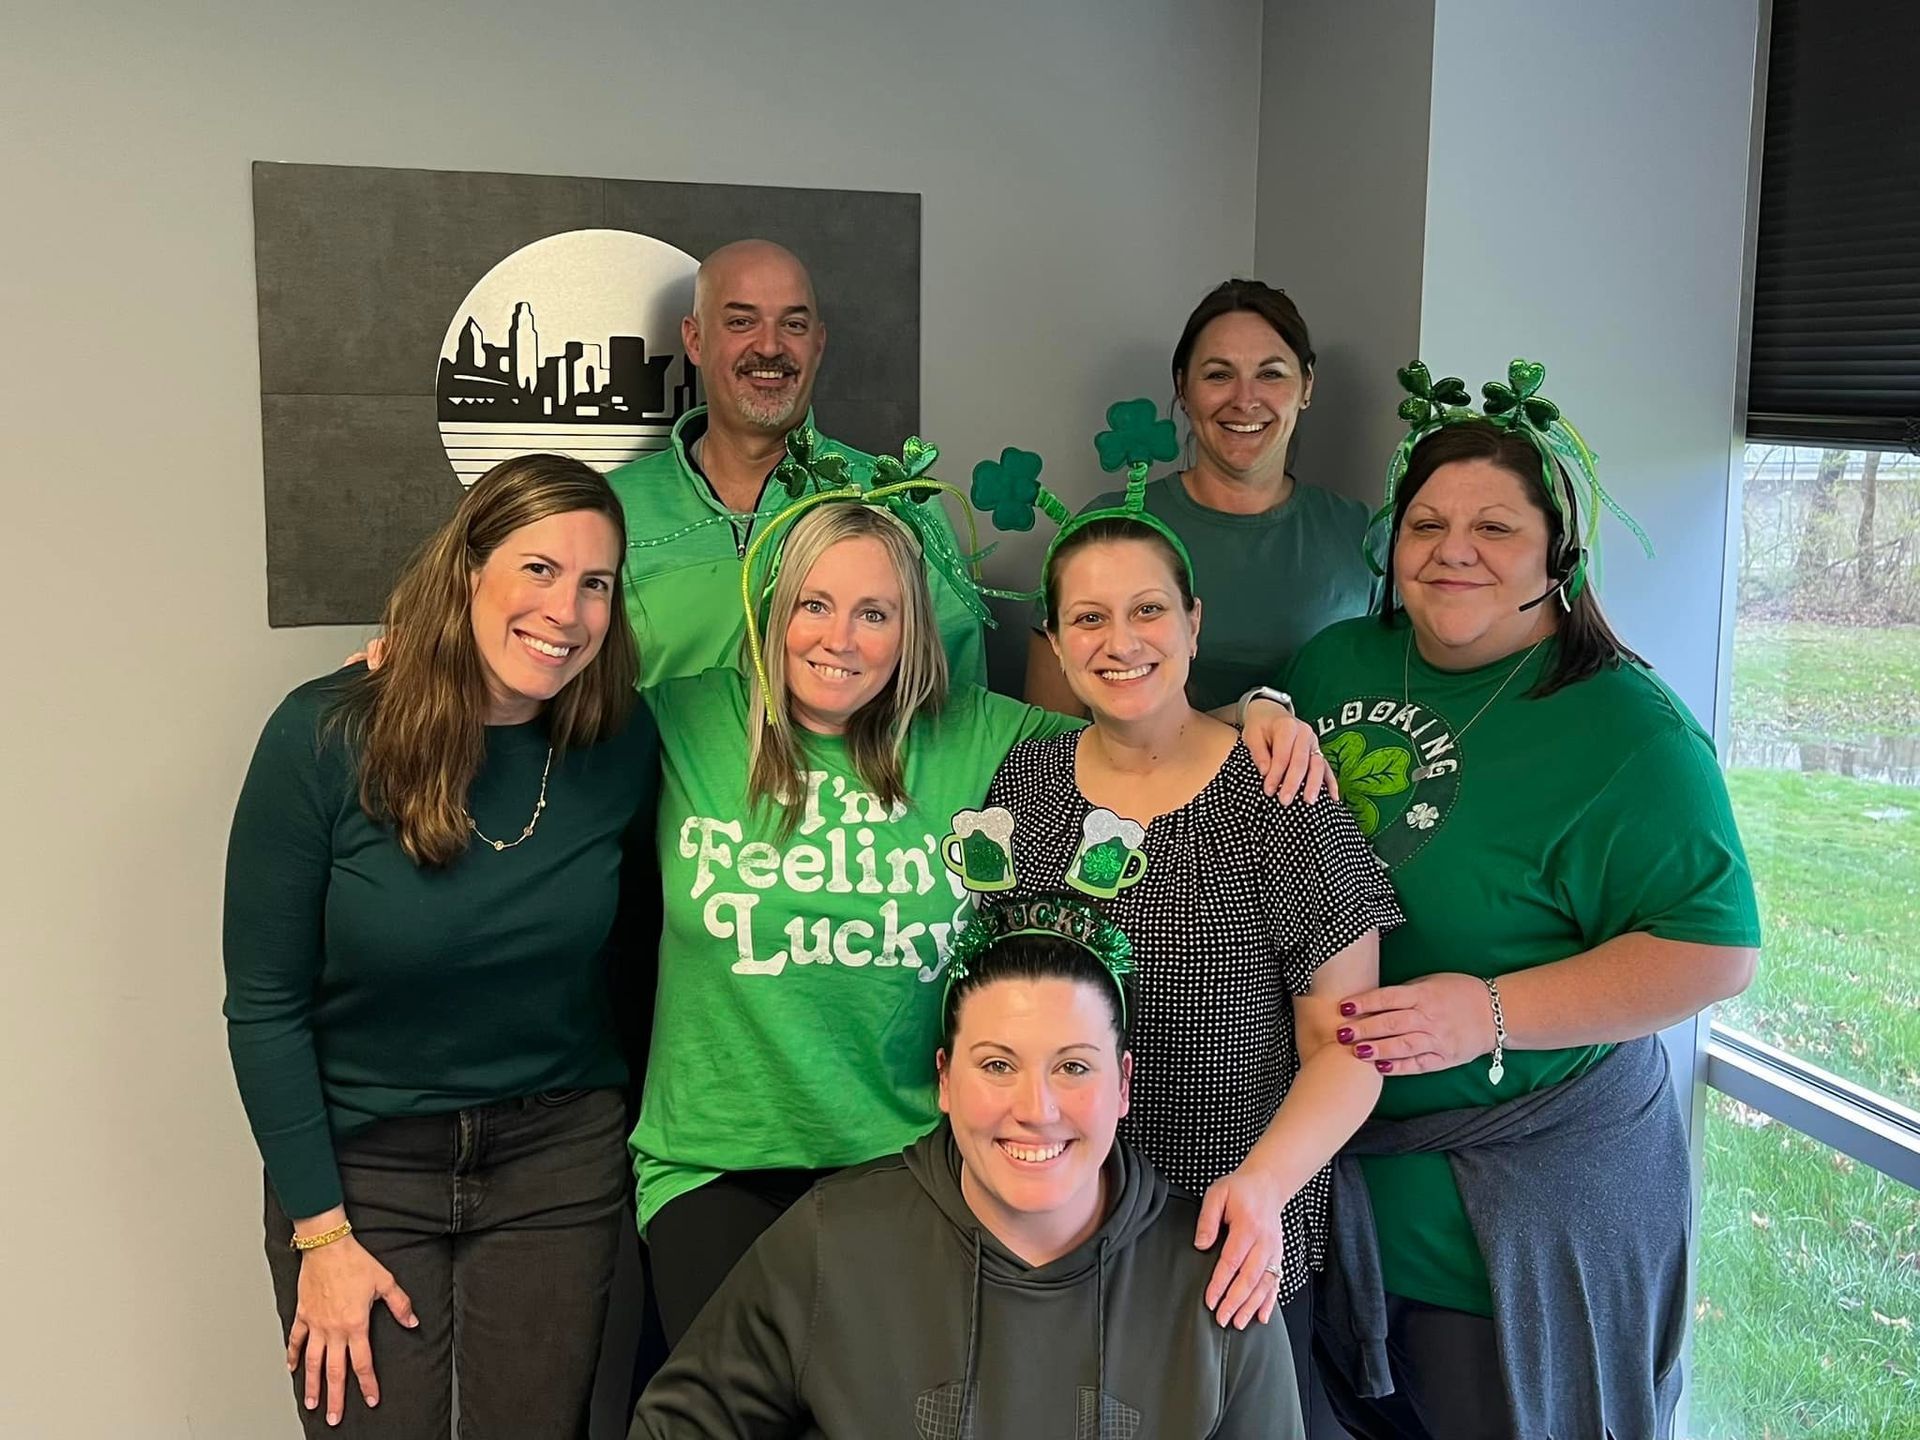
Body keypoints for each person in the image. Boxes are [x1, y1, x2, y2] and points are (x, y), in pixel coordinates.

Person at [630, 463, 1324, 1344]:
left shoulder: (978, 733)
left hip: (907, 1165)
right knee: (727, 1399)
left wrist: (1261, 709)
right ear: (773, 612)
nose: (840, 638)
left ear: (911, 629)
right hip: (713, 1165)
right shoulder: (689, 717)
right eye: (814, 604)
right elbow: (544, 710)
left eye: (874, 613)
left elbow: (1143, 727)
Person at [1287, 361, 1761, 1440]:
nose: (1453, 549)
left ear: (1559, 557)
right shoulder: (1334, 664)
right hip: (1337, 1202)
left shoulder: (1627, 730)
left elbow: (1714, 951)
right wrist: (1258, 708)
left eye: (1495, 528)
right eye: (1426, 524)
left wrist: (1491, 1010)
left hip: (1518, 1224)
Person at [223, 454, 659, 1436]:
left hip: (556, 1161)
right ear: (467, 571)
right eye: (539, 569)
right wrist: (319, 1233)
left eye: (596, 583)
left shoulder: (621, 742)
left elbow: (638, 957)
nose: (566, 610)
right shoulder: (324, 737)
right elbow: (263, 1008)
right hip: (363, 1169)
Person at [985, 479, 1404, 1398]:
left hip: (1229, 1240)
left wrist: (1264, 1187)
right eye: (1088, 618)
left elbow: (1350, 1046)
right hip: (1058, 1235)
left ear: (1193, 623)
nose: (1121, 641)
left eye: (1148, 610)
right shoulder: (1027, 784)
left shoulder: (1279, 794)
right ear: (1054, 643)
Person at [629, 897, 1305, 1438]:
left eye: (1073, 1067)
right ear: (946, 1080)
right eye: (997, 1065)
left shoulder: (1222, 1284)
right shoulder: (829, 1242)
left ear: (1123, 1084)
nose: (1036, 1109)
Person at [607, 238, 987, 688]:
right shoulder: (610, 508)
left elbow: (954, 695)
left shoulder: (897, 500)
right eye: (741, 321)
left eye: (793, 324)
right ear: (695, 339)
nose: (770, 346)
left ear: (818, 344)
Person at [1025, 279, 1371, 714]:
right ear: (1183, 388)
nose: (1245, 400)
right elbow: (1051, 731)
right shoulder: (1109, 527)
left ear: (1306, 386)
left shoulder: (1362, 536)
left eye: (1270, 374)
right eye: (1219, 375)